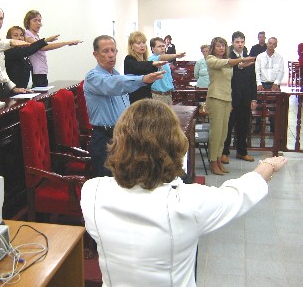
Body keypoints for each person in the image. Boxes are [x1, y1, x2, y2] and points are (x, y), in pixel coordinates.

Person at [81, 99, 287, 287]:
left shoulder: (93, 192)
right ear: (175, 146)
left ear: (119, 143)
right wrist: (268, 165)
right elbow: (238, 194)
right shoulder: (187, 203)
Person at [84, 35, 164, 177]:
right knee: (107, 184)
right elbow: (114, 85)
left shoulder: (118, 75)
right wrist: (143, 79)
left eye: (113, 50)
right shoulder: (93, 77)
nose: (111, 55)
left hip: (122, 136)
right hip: (105, 139)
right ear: (95, 55)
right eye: (105, 51)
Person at [206, 37, 255, 175]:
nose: (221, 48)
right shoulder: (211, 59)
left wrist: (243, 64)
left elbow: (234, 66)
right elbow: (227, 63)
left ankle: (219, 159)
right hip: (216, 98)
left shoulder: (228, 62)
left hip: (227, 99)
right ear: (213, 48)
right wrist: (241, 59)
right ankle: (213, 162)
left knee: (223, 134)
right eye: (218, 46)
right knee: (216, 133)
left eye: (223, 46)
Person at [221, 31, 257, 165]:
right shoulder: (228, 58)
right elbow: (226, 76)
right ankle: (224, 152)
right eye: (237, 42)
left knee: (243, 126)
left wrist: (253, 99)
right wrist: (239, 66)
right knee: (228, 127)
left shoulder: (248, 58)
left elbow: (253, 80)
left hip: (245, 98)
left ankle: (242, 152)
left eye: (242, 42)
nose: (240, 44)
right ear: (232, 43)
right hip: (230, 98)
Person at [23, 10, 82, 87]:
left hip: (42, 69)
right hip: (36, 71)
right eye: (35, 21)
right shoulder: (28, 34)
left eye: (39, 21)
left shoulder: (36, 35)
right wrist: (66, 43)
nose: (38, 23)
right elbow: (43, 47)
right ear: (28, 22)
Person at [124, 31, 167, 103]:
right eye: (138, 43)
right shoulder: (129, 59)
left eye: (143, 42)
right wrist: (153, 63)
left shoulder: (145, 61)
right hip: (135, 99)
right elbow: (137, 66)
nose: (142, 45)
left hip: (147, 97)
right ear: (131, 45)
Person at [254, 37, 284, 133]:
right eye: (270, 43)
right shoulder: (260, 57)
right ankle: (258, 128)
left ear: (276, 45)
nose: (271, 45)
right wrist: (258, 83)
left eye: (274, 43)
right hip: (262, 84)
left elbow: (281, 71)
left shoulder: (279, 57)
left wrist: (276, 83)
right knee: (259, 106)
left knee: (273, 107)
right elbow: (257, 71)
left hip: (274, 84)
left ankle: (273, 128)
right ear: (267, 43)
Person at [148, 37, 186, 105]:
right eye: (159, 46)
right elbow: (161, 57)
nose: (162, 48)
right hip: (158, 96)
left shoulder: (166, 62)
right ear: (153, 49)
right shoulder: (152, 59)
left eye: (163, 46)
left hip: (168, 95)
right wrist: (176, 55)